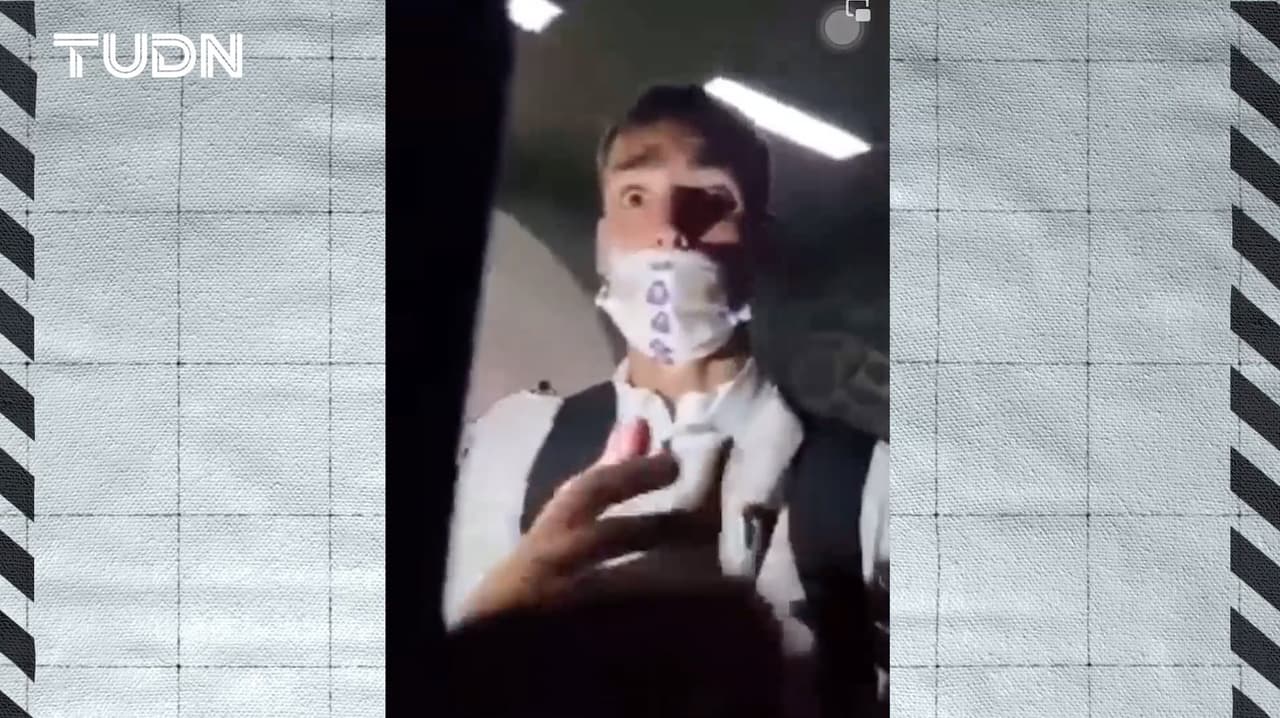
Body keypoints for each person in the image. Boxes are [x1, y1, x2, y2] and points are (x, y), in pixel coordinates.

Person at [443, 84, 889, 716]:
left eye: (712, 200)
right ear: (602, 243)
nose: (670, 232)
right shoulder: (509, 445)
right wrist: (500, 618)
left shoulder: (871, 485)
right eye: (635, 197)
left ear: (761, 246)